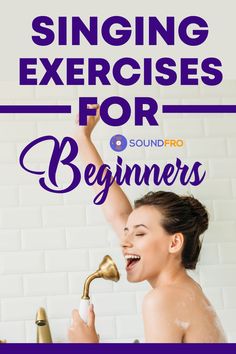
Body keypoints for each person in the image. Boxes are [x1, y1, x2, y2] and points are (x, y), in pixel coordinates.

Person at [68, 105, 227, 343]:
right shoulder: (185, 292)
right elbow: (118, 213)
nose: (124, 242)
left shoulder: (163, 300)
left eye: (139, 234)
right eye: (127, 232)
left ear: (174, 243)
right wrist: (82, 139)